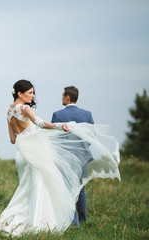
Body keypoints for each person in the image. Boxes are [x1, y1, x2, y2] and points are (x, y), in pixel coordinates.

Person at [0, 80, 120, 236]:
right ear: (19, 93)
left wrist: (25, 136)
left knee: (26, 188)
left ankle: (12, 219)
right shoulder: (25, 108)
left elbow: (12, 139)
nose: (32, 96)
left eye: (33, 92)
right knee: (42, 186)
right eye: (30, 93)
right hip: (36, 151)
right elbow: (40, 123)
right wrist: (60, 126)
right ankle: (39, 224)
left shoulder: (9, 112)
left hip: (22, 154)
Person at [51, 86, 93, 227]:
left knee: (68, 188)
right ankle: (82, 220)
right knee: (80, 188)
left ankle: (73, 222)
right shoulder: (87, 115)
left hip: (66, 158)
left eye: (63, 95)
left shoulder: (57, 115)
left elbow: (54, 138)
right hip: (83, 157)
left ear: (68, 97)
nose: (61, 98)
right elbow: (91, 137)